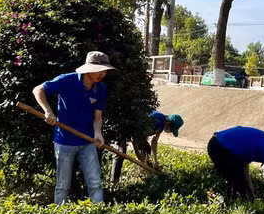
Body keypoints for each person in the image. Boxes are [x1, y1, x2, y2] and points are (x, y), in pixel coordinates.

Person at [33, 51, 116, 205]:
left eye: (105, 71)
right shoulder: (67, 80)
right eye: (100, 70)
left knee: (95, 183)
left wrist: (98, 133)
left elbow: (97, 116)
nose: (102, 74)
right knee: (62, 185)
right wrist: (48, 111)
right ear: (89, 68)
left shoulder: (101, 89)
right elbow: (38, 90)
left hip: (87, 142)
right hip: (64, 142)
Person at [113, 110, 184, 182]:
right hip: (125, 127)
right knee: (121, 152)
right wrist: (138, 154)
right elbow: (134, 136)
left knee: (147, 149)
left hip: (138, 134)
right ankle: (114, 181)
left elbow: (154, 141)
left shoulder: (162, 124)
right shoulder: (157, 120)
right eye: (171, 129)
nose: (170, 131)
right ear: (168, 123)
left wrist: (155, 161)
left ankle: (146, 172)